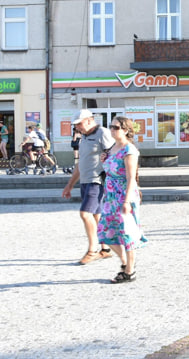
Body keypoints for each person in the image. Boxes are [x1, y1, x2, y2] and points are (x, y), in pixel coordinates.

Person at [61, 110, 115, 265]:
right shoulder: (83, 137)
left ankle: (92, 250)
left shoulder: (102, 133)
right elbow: (80, 164)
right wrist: (69, 185)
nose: (78, 127)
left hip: (96, 180)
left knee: (85, 214)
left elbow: (115, 154)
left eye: (80, 123)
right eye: (76, 124)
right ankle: (105, 249)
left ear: (90, 120)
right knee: (96, 215)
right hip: (85, 181)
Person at [97, 116, 147, 283]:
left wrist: (126, 201)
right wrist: (104, 159)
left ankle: (129, 271)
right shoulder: (112, 148)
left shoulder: (129, 150)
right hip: (110, 195)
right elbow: (109, 169)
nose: (112, 130)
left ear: (125, 130)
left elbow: (131, 177)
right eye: (111, 127)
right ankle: (125, 262)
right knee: (104, 231)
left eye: (116, 127)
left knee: (127, 234)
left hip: (124, 195)